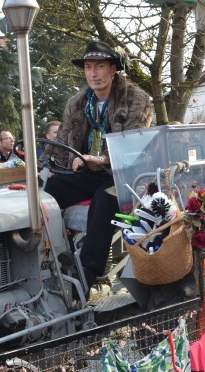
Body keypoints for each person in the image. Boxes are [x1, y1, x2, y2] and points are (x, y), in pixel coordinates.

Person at [44, 40, 152, 286]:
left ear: (113, 70)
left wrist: (102, 159)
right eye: (88, 67)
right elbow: (62, 139)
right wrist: (49, 167)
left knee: (105, 199)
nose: (93, 73)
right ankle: (49, 260)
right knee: (47, 193)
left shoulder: (136, 99)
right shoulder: (77, 102)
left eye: (100, 66)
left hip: (125, 175)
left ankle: (88, 272)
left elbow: (133, 145)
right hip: (87, 169)